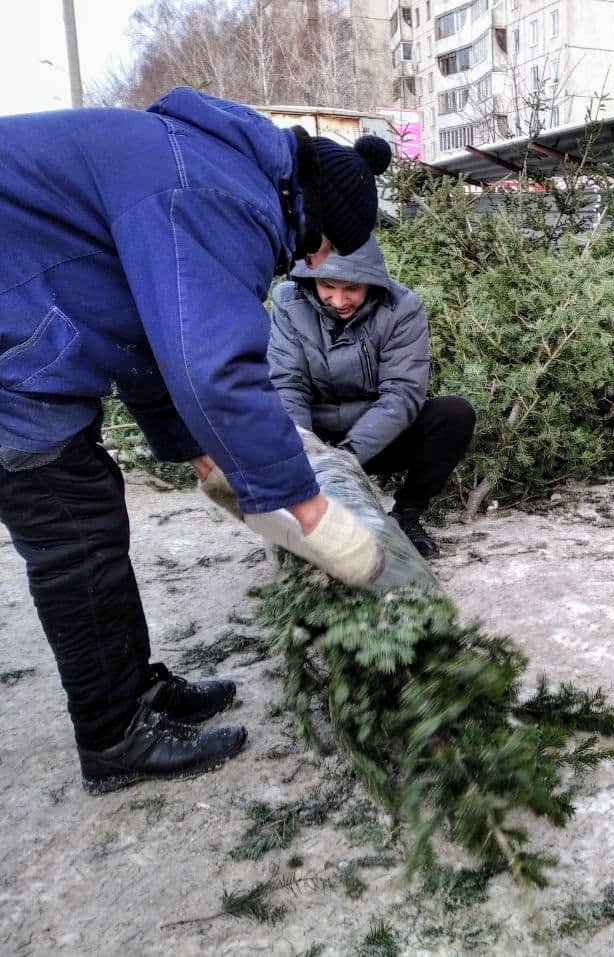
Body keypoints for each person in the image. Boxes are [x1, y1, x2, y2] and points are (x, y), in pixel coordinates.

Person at [0, 87, 392, 794]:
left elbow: (146, 329)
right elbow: (214, 365)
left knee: (91, 512)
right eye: (327, 247)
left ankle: (134, 693)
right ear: (318, 218)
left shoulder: (214, 166)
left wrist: (196, 450)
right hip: (14, 344)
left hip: (24, 311)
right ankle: (114, 736)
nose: (315, 261)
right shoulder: (211, 193)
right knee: (73, 526)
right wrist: (310, 512)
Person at [268, 237, 476, 557]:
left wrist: (348, 457)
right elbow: (288, 384)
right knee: (251, 415)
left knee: (454, 414)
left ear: (371, 281)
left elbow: (402, 393)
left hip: (375, 436)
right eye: (327, 286)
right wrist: (305, 454)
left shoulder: (402, 307)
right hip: (315, 435)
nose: (338, 301)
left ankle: (406, 516)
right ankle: (296, 512)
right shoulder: (288, 301)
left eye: (351, 288)